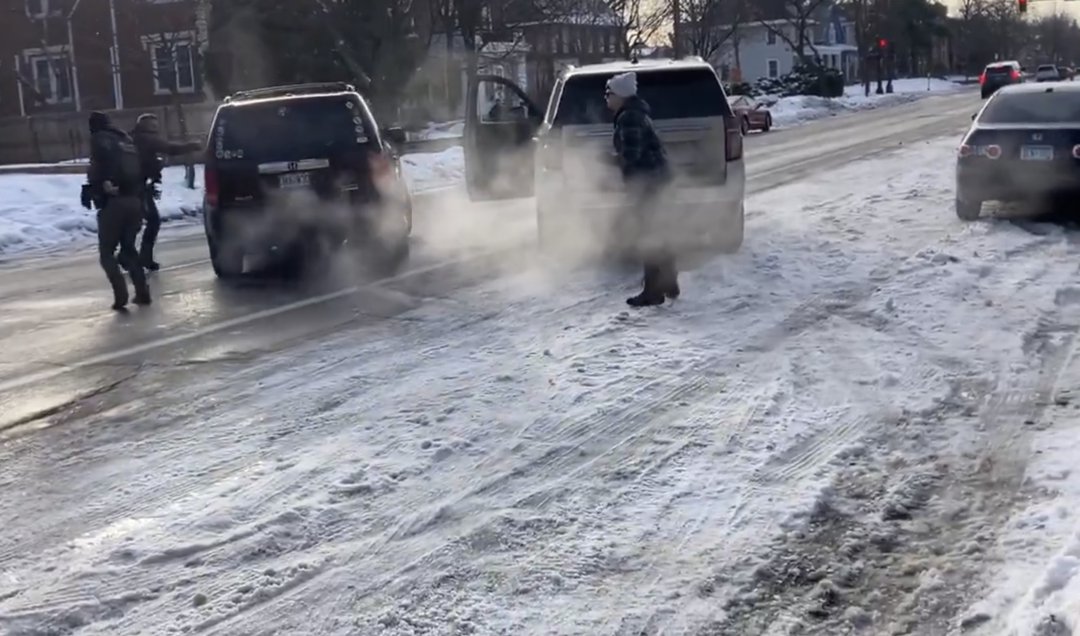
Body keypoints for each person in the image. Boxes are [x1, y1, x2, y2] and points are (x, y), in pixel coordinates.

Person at [605, 71, 679, 307]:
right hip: (657, 180)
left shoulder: (629, 117)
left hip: (649, 183)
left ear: (621, 96)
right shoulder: (636, 113)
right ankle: (668, 282)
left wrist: (607, 159)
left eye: (609, 94)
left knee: (648, 236)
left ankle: (653, 291)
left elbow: (631, 156)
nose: (606, 98)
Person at [87, 111, 151, 310]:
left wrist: (100, 184)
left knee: (107, 252)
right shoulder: (125, 139)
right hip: (135, 200)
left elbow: (100, 166)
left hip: (113, 203)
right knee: (129, 249)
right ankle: (142, 293)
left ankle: (120, 295)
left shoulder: (99, 140)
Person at [130, 113, 201, 271]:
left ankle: (133, 255)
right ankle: (140, 256)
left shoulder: (134, 138)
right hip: (140, 187)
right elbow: (170, 148)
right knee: (152, 221)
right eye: (153, 125)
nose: (156, 128)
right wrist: (192, 145)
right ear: (146, 126)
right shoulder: (147, 139)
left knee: (135, 222)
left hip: (135, 186)